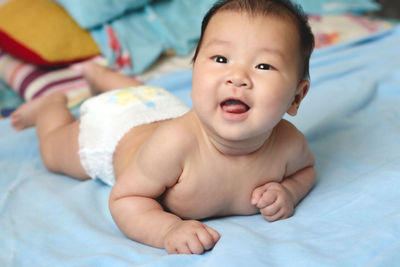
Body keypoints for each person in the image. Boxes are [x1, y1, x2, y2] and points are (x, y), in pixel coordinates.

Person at [10, 0, 316, 254]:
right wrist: (167, 228)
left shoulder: (290, 145)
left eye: (263, 66)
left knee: (136, 94)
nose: (237, 77)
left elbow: (306, 172)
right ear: (194, 71)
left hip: (159, 105)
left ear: (296, 96)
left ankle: (100, 77)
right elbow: (126, 198)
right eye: (220, 58)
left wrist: (288, 190)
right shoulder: (175, 145)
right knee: (54, 151)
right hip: (115, 131)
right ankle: (51, 106)